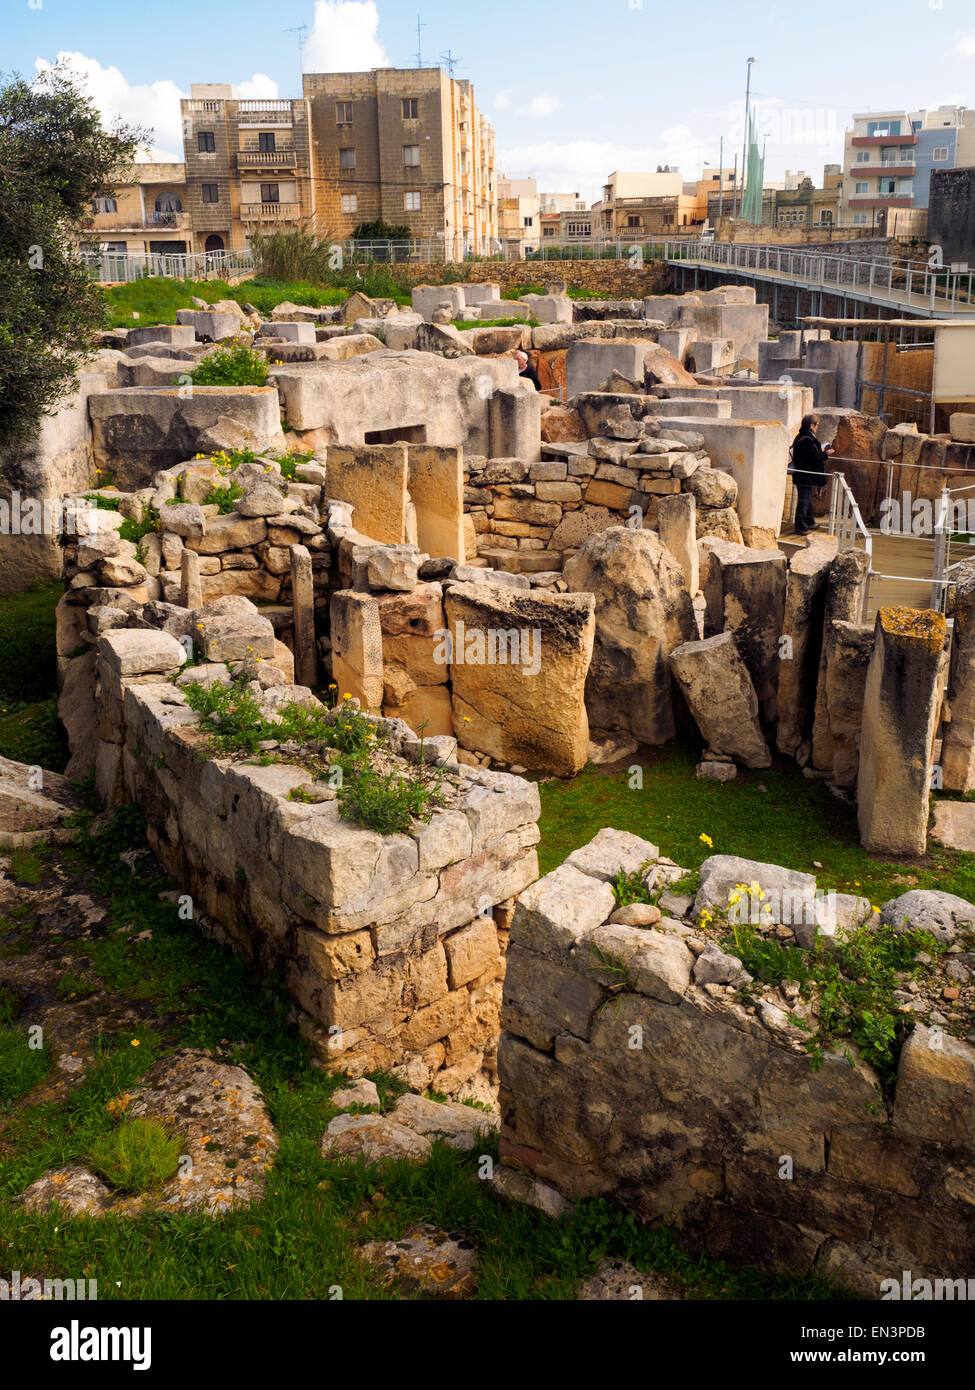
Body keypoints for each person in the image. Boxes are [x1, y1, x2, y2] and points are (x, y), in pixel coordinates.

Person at [788, 412, 832, 535]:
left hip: (803, 475)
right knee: (803, 501)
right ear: (812, 425)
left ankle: (809, 522)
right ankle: (800, 527)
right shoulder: (807, 439)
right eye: (817, 425)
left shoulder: (802, 436)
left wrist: (821, 451)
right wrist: (825, 454)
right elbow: (813, 458)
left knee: (806, 500)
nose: (817, 427)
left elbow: (811, 455)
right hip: (804, 476)